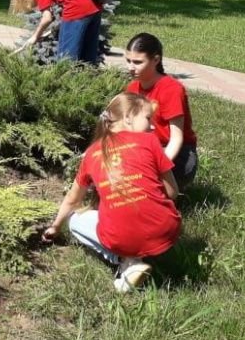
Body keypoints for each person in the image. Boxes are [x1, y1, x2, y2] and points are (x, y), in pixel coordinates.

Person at [43, 92, 181, 292]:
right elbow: (173, 191)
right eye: (148, 118)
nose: (152, 126)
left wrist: (55, 227)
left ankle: (126, 261)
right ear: (128, 118)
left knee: (74, 220)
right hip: (167, 230)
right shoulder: (150, 142)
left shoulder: (91, 154)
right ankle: (134, 260)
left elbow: (72, 200)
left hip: (120, 236)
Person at [124, 33, 199, 189]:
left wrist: (157, 168)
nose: (131, 67)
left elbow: (176, 139)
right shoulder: (132, 89)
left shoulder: (171, 89)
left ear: (156, 60)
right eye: (128, 61)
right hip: (145, 149)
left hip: (176, 155)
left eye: (138, 62)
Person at [23, 0, 103, 64]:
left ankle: (65, 77)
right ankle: (88, 77)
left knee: (66, 59)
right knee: (88, 58)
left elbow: (47, 18)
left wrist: (35, 37)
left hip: (77, 9)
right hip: (95, 5)